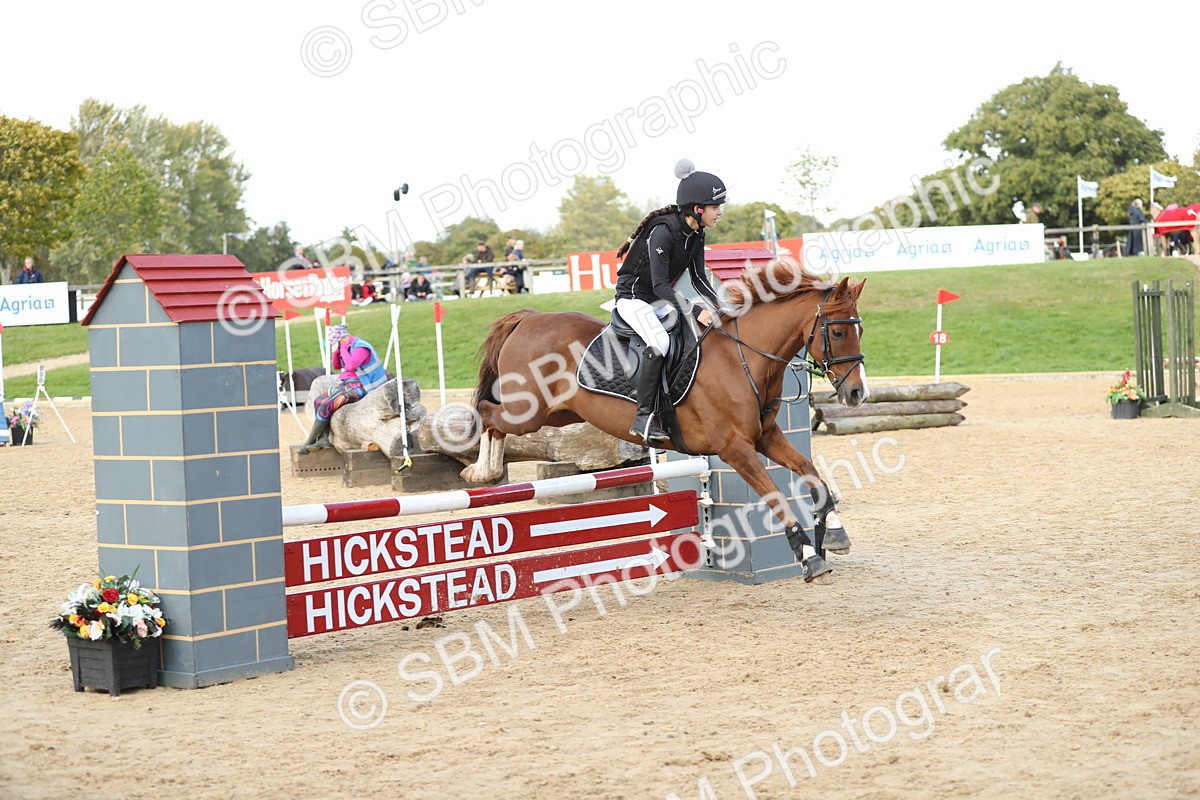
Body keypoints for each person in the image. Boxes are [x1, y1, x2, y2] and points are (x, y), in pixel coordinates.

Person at [612, 158, 726, 444]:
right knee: (661, 343)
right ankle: (643, 418)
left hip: (659, 300)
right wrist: (694, 308)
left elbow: (699, 279)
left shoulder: (696, 234)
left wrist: (721, 307)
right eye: (715, 207)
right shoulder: (663, 231)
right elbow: (662, 285)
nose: (720, 213)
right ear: (697, 209)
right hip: (634, 298)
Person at [298, 325, 388, 453]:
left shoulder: (361, 347)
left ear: (342, 339)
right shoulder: (346, 347)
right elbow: (336, 365)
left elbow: (351, 366)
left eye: (336, 343)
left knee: (328, 403)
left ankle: (310, 440)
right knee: (319, 400)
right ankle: (323, 439)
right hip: (349, 383)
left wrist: (344, 350)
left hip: (364, 385)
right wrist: (336, 352)